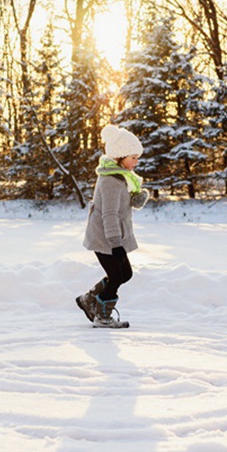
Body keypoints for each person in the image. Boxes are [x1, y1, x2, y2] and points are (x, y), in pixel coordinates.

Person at [76, 124, 148, 328]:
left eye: (137, 157)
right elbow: (109, 214)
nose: (136, 161)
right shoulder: (110, 181)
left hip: (112, 236)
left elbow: (119, 205)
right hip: (105, 238)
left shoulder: (121, 177)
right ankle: (102, 316)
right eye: (133, 157)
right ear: (119, 156)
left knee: (126, 274)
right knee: (117, 276)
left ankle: (88, 299)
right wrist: (116, 244)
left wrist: (133, 198)